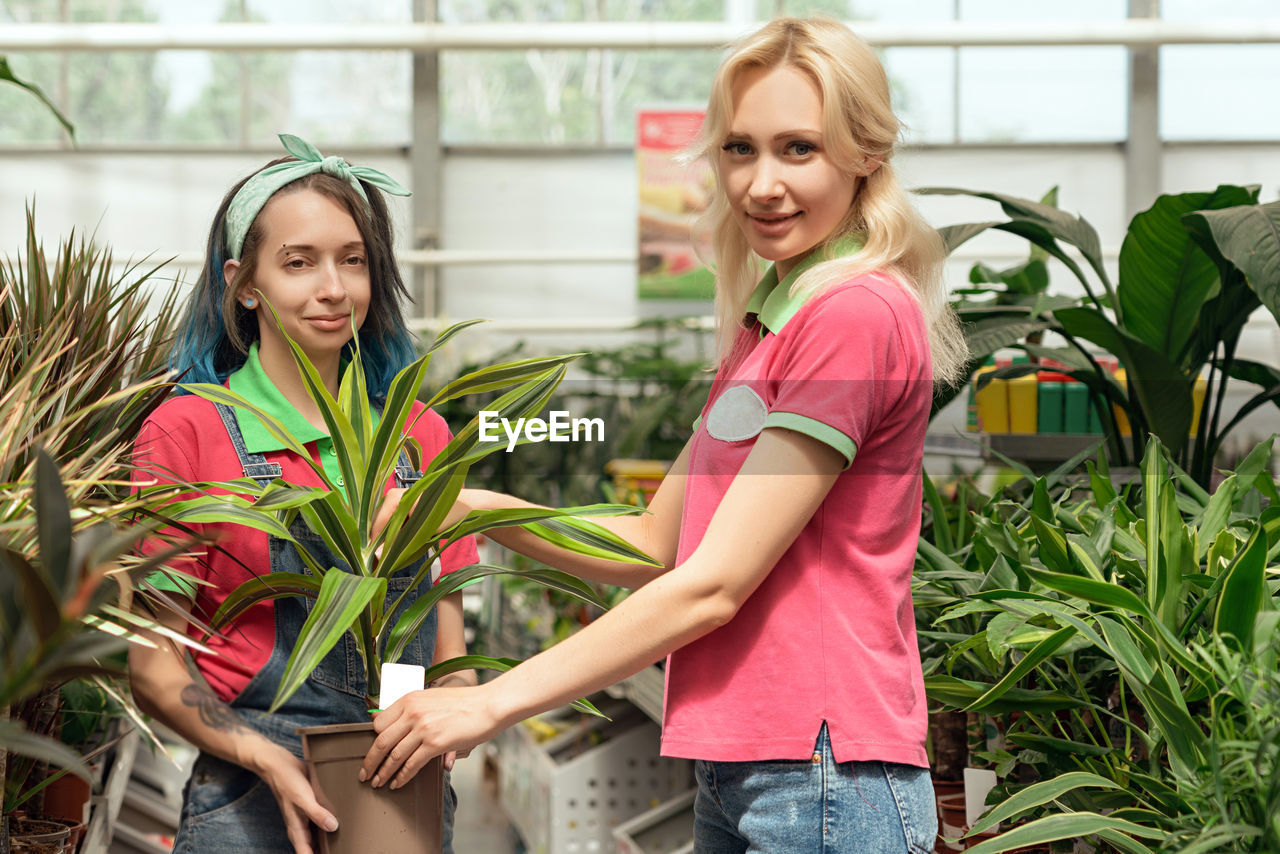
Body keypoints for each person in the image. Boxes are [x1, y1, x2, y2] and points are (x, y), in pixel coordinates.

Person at [362, 17, 968, 853]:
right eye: (739, 149)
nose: (761, 183)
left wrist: (490, 699)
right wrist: (469, 509)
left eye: (800, 149)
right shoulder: (772, 322)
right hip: (747, 763)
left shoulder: (854, 312)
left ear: (866, 153)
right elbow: (656, 542)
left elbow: (715, 583)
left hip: (824, 770)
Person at [129, 134, 478, 854]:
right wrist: (264, 756)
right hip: (248, 793)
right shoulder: (187, 430)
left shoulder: (420, 434)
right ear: (244, 284)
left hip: (399, 779)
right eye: (299, 262)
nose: (334, 288)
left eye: (353, 260)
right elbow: (154, 665)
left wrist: (453, 712)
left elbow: (450, 647)